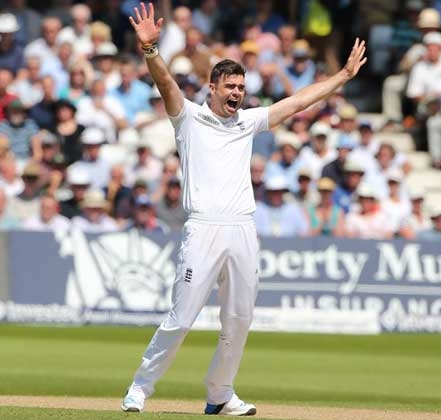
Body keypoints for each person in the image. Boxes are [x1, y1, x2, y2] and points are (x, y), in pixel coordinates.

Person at [121, 2, 367, 416]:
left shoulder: (248, 122)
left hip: (242, 228)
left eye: (241, 87)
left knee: (238, 320)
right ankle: (140, 388)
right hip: (203, 228)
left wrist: (341, 77)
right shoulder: (189, 119)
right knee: (181, 319)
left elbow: (297, 102)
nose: (237, 93)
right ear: (212, 88)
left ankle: (220, 393)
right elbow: (166, 85)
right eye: (230, 87)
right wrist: (150, 51)